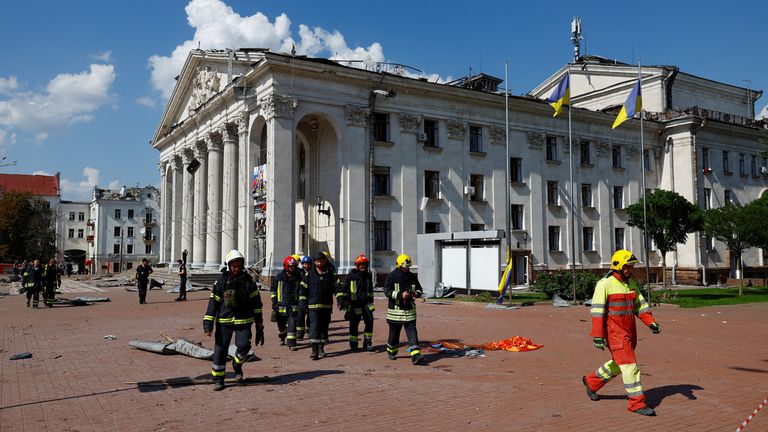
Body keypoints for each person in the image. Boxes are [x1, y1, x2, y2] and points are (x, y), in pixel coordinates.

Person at [581, 249, 661, 416]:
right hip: (615, 334)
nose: (630, 270)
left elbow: (641, 306)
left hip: (630, 333)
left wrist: (651, 323)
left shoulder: (631, 284)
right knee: (630, 367)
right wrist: (597, 335)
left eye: (631, 267)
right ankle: (636, 403)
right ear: (617, 266)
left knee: (619, 364)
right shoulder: (605, 284)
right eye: (628, 267)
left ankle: (591, 382)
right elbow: (597, 311)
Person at [203, 250, 264, 391]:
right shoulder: (221, 282)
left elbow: (256, 303)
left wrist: (259, 324)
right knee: (220, 349)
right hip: (224, 321)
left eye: (238, 265)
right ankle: (219, 379)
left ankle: (237, 364)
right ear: (228, 266)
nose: (236, 268)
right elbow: (213, 303)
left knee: (243, 345)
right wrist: (208, 324)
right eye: (233, 266)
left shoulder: (249, 282)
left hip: (244, 321)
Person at [384, 253, 424, 365]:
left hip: (410, 311)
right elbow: (387, 291)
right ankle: (391, 350)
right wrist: (400, 295)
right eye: (404, 266)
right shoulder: (392, 276)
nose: (406, 268)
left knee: (412, 334)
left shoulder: (412, 277)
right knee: (394, 334)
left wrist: (417, 294)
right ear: (399, 265)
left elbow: (420, 289)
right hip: (395, 312)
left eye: (408, 266)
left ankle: (415, 355)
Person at [300, 252, 338, 360]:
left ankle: (321, 348)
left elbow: (337, 287)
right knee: (314, 327)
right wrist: (303, 305)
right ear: (314, 262)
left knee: (324, 328)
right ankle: (314, 350)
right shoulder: (309, 275)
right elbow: (303, 291)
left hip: (326, 306)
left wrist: (341, 299)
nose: (319, 263)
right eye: (317, 261)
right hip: (313, 306)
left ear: (325, 261)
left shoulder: (330, 274)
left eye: (321, 261)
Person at [336, 254, 375, 352]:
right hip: (355, 304)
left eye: (365, 264)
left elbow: (370, 290)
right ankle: (353, 344)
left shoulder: (368, 275)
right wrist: (344, 301)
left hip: (366, 303)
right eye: (361, 265)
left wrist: (371, 302)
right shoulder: (351, 275)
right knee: (354, 324)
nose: (363, 266)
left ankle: (367, 343)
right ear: (357, 265)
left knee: (370, 322)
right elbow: (344, 289)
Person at [271, 256, 301, 350]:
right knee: (281, 326)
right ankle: (282, 337)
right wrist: (274, 302)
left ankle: (292, 344)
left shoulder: (298, 278)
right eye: (291, 266)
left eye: (294, 266)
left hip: (293, 305)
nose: (293, 268)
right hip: (280, 306)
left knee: (292, 324)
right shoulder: (279, 278)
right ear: (286, 266)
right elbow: (273, 290)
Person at [297, 255, 313, 339]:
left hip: (311, 297)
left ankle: (309, 330)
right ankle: (300, 332)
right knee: (300, 315)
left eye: (308, 264)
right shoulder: (299, 273)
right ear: (302, 264)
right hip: (302, 297)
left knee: (310, 315)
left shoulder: (313, 272)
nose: (306, 266)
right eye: (305, 264)